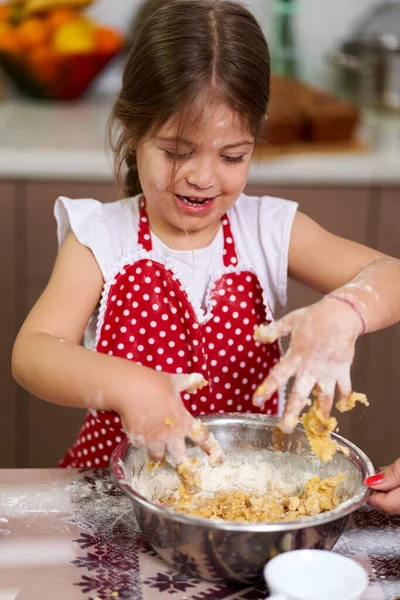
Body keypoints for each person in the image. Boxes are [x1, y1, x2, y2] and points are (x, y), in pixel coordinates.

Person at [12, 0, 400, 476]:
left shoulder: (268, 229)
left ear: (255, 142)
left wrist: (347, 311)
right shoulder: (101, 237)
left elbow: (391, 275)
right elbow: (33, 351)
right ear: (134, 132)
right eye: (177, 152)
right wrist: (130, 385)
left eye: (232, 157)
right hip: (117, 494)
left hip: (248, 493)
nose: (202, 177)